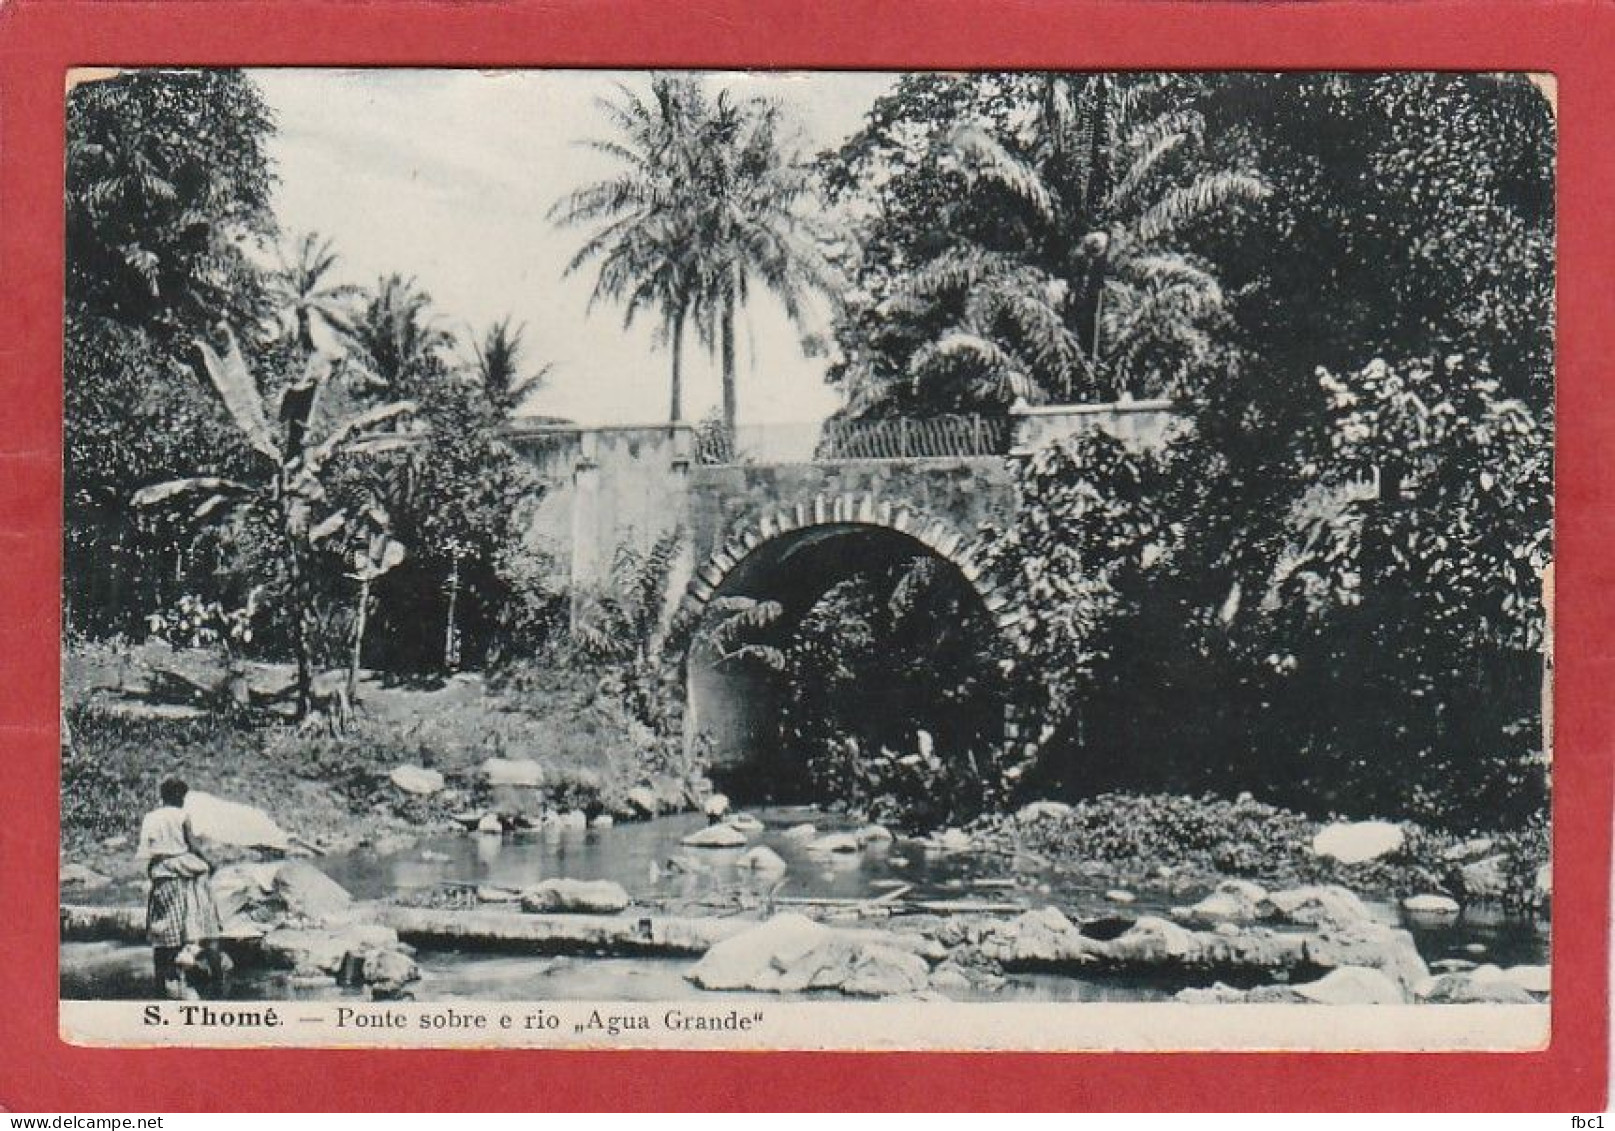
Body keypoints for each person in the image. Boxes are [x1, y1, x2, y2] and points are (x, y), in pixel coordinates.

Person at [137, 778, 223, 999]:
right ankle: (217, 981)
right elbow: (192, 846)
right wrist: (210, 862)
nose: (184, 800)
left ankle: (159, 985)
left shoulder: (150, 817)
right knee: (204, 924)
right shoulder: (181, 816)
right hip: (184, 871)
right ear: (176, 796)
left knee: (163, 931)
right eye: (182, 796)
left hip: (162, 874)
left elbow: (148, 849)